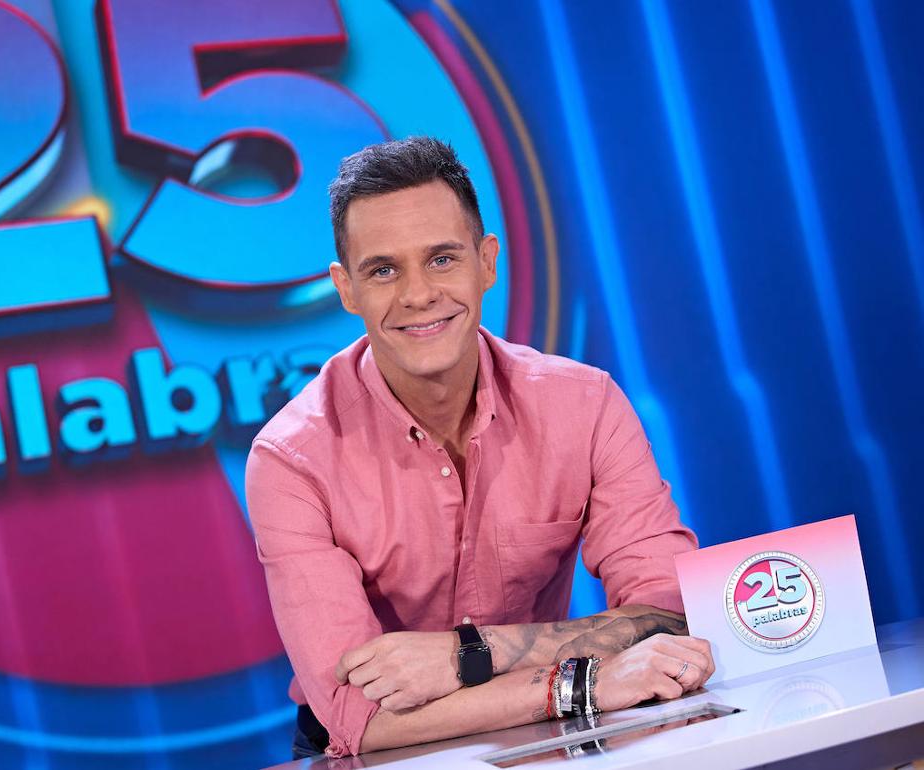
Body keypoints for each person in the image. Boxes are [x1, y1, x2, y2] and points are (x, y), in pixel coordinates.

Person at [245, 137, 713, 760]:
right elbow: (358, 718)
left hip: (553, 727)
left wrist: (467, 654)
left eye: (442, 259)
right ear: (346, 289)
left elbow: (672, 614)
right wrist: (581, 682)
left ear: (487, 262)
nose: (417, 294)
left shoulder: (585, 405)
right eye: (383, 270)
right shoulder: (290, 460)